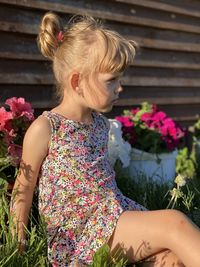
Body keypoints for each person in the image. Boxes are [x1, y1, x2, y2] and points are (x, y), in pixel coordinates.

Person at [10, 12, 200, 267]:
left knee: (172, 259)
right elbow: (24, 189)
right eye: (111, 80)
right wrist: (17, 248)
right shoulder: (46, 128)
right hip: (83, 234)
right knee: (173, 223)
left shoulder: (99, 124)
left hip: (113, 216)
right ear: (77, 81)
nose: (120, 87)